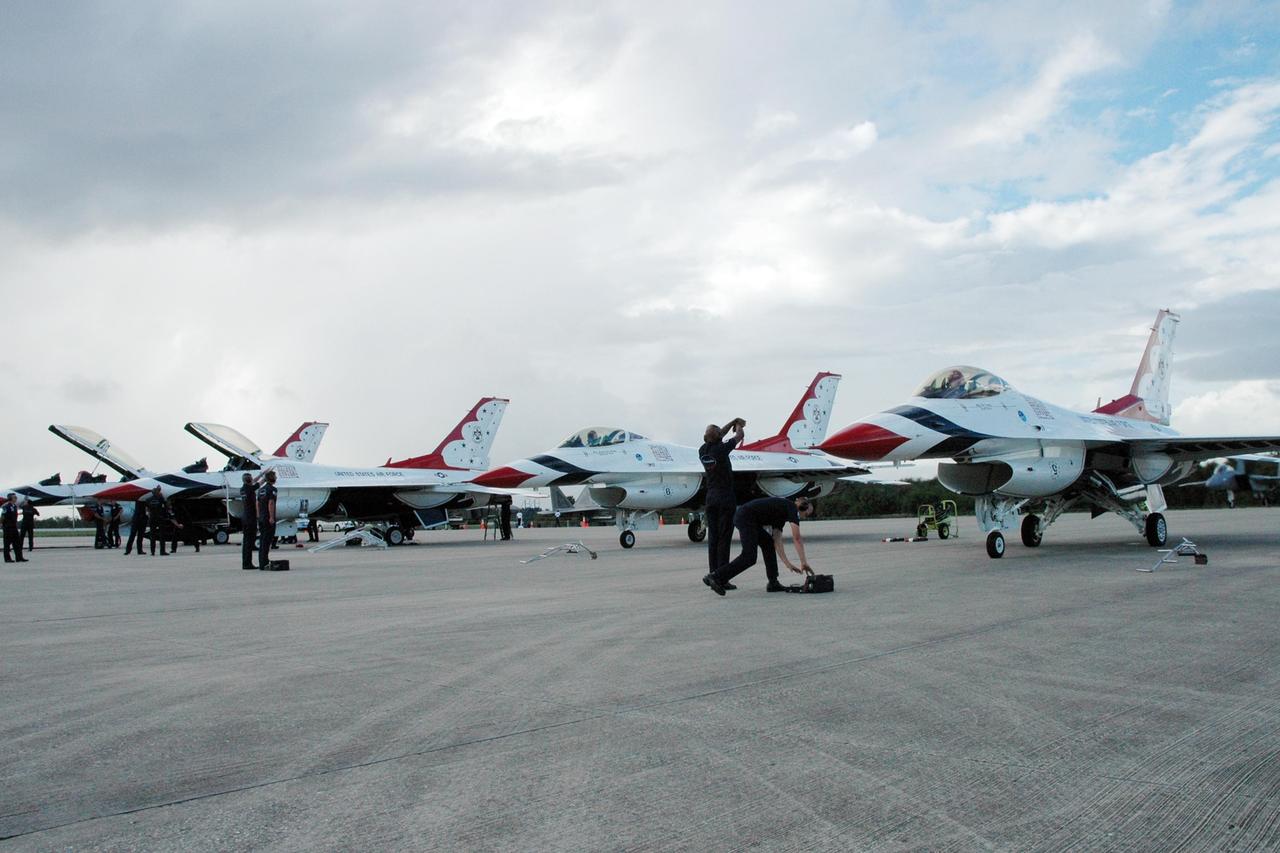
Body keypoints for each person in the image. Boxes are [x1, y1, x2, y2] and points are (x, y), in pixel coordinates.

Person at [703, 496, 815, 595]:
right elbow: (797, 538)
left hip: (748, 518)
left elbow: (777, 540)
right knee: (749, 557)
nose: (805, 517)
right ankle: (715, 576)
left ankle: (773, 582)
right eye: (807, 514)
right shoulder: (792, 508)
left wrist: (787, 563)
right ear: (802, 507)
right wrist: (803, 562)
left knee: (768, 543)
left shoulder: (783, 511)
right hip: (746, 517)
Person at [698, 417, 746, 589]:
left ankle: (713, 574)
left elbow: (718, 434)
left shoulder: (703, 450)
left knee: (713, 539)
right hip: (725, 498)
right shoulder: (721, 449)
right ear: (718, 437)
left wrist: (732, 421)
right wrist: (738, 425)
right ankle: (721, 578)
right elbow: (739, 436)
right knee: (724, 538)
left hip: (710, 499)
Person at [257, 470, 278, 570]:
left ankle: (262, 561)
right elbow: (271, 503)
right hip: (268, 518)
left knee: (262, 540)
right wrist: (271, 517)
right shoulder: (272, 489)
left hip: (261, 517)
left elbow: (257, 504)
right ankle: (264, 562)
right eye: (275, 476)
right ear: (271, 478)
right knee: (267, 540)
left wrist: (259, 515)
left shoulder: (261, 490)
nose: (276, 478)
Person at [239, 472, 258, 570]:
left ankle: (245, 563)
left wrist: (262, 474)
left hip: (245, 517)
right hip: (251, 517)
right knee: (250, 542)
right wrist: (264, 475)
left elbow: (254, 483)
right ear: (249, 480)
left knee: (246, 541)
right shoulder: (250, 489)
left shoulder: (243, 489)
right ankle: (248, 563)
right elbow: (259, 483)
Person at [146, 487, 171, 556]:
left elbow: (148, 509)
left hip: (152, 518)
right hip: (160, 518)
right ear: (157, 492)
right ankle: (162, 551)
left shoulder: (148, 500)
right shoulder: (160, 498)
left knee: (152, 536)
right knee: (162, 535)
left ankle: (152, 551)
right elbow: (166, 506)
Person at [3, 493, 26, 563]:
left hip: (14, 527)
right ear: (10, 499)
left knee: (17, 543)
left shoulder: (15, 506)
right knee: (7, 544)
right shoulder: (6, 507)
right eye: (14, 497)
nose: (16, 498)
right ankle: (7, 559)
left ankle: (19, 557)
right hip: (8, 527)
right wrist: (3, 525)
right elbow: (2, 517)